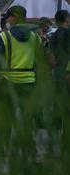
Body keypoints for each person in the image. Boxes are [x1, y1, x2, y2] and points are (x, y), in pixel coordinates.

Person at [0, 5, 45, 156]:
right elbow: (41, 62)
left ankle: (2, 148)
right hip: (29, 82)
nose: (7, 19)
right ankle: (29, 148)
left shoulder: (4, 36)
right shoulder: (36, 38)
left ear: (14, 16)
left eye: (8, 16)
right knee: (27, 117)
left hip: (7, 81)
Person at [49, 10, 70, 141]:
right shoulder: (68, 33)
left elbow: (50, 58)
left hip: (57, 73)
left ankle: (56, 131)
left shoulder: (53, 35)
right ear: (67, 19)